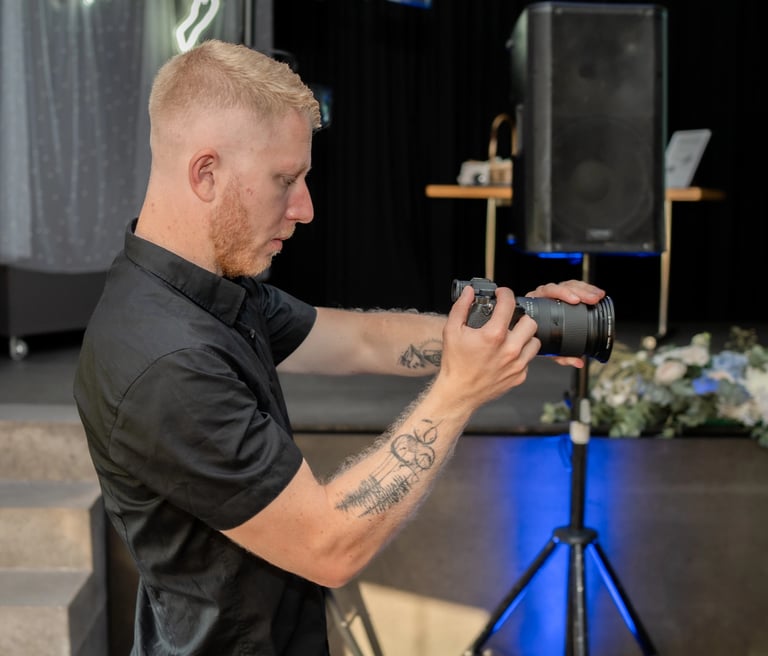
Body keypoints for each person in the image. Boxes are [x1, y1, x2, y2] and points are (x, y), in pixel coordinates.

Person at [73, 39, 606, 656]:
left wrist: (514, 328)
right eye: (285, 180)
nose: (305, 208)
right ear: (206, 173)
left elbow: (357, 338)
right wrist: (460, 391)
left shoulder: (209, 289)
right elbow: (328, 544)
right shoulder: (165, 364)